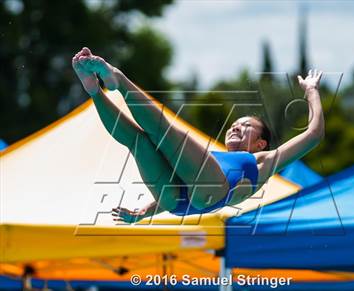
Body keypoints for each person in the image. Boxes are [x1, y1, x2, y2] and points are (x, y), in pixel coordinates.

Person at [72, 47, 324, 223]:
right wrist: (143, 212)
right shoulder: (213, 156)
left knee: (166, 132)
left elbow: (314, 134)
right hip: (175, 201)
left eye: (245, 126)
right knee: (139, 142)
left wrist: (311, 91)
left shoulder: (264, 162)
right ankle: (94, 90)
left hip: (206, 194)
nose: (235, 127)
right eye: (234, 124)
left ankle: (117, 77)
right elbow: (170, 189)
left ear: (261, 143)